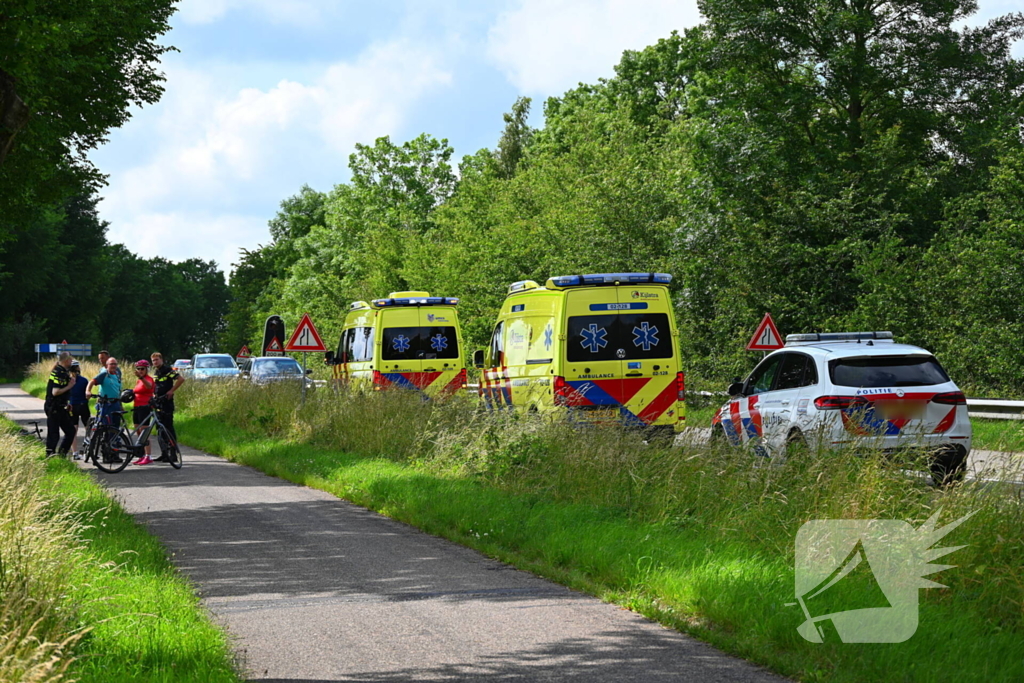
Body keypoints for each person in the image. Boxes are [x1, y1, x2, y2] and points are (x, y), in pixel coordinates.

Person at [87, 357, 124, 461]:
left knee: (116, 429)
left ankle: (114, 453)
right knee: (106, 428)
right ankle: (106, 454)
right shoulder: (104, 375)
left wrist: (120, 404)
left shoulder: (117, 375)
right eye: (111, 364)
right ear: (107, 365)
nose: (113, 366)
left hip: (115, 403)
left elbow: (118, 390)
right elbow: (92, 382)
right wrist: (88, 391)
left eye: (115, 364)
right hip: (106, 405)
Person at [151, 352, 184, 461]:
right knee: (160, 429)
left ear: (161, 360)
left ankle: (173, 453)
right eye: (153, 360)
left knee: (168, 428)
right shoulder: (156, 372)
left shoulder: (167, 370)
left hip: (167, 403)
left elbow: (181, 379)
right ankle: (164, 452)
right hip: (158, 402)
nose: (155, 362)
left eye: (157, 360)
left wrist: (171, 391)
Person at [44, 352, 76, 457]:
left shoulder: (61, 371)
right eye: (71, 360)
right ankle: (50, 456)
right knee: (54, 434)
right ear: (66, 360)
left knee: (71, 431)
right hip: (54, 407)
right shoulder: (59, 373)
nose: (72, 362)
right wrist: (70, 386)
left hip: (60, 406)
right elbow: (55, 392)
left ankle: (61, 456)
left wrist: (66, 403)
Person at [130, 360, 156, 465]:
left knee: (144, 432)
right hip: (137, 407)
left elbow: (149, 387)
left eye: (142, 369)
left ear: (146, 369)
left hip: (145, 407)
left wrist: (141, 377)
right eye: (138, 369)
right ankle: (142, 454)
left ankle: (148, 456)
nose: (140, 371)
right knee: (138, 431)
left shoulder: (148, 379)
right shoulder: (139, 381)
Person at [68, 361, 91, 459]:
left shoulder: (67, 380)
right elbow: (87, 395)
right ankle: (88, 451)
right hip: (83, 405)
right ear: (78, 368)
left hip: (72, 406)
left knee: (74, 430)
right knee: (88, 429)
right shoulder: (84, 380)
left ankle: (75, 452)